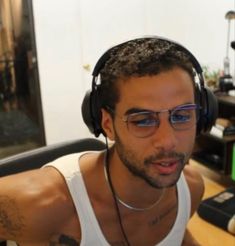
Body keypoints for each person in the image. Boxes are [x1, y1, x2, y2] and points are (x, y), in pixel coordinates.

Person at [0, 37, 217, 246]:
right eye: (142, 121)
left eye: (181, 116)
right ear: (107, 125)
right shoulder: (42, 204)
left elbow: (177, 235)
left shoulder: (191, 189)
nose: (168, 141)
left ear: (202, 116)